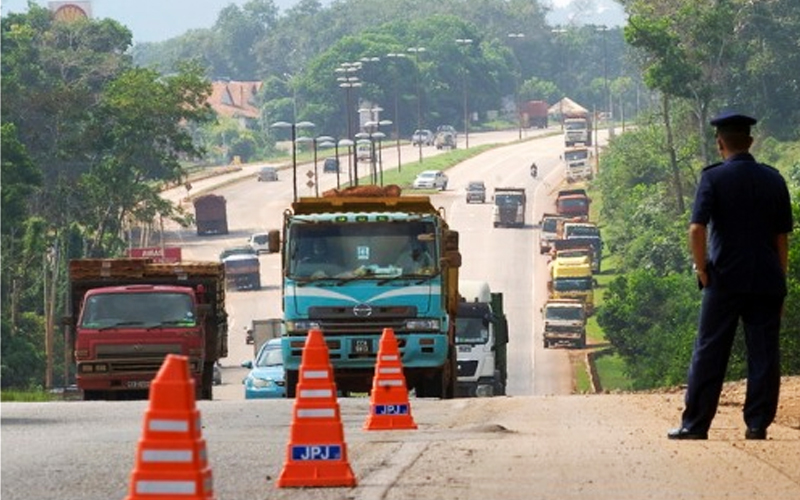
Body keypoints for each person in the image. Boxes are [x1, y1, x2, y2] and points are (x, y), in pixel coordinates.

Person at [668, 112, 793, 441]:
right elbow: (782, 239)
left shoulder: (713, 179)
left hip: (724, 278)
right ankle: (757, 424)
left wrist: (701, 268)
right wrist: (780, 283)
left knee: (710, 350)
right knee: (764, 352)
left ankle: (695, 425)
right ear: (751, 142)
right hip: (766, 279)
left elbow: (697, 228)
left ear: (720, 142)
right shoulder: (774, 179)